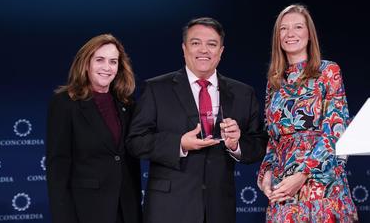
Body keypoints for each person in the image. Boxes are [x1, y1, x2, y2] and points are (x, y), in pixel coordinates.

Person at [126, 17, 267, 223]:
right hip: (168, 210)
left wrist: (236, 144)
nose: (204, 50)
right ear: (184, 48)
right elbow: (135, 142)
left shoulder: (243, 93)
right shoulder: (156, 89)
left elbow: (258, 144)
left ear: (221, 51)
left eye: (212, 44)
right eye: (195, 43)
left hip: (219, 210)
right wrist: (179, 144)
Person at [257, 4, 358, 222]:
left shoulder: (328, 71)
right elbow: (273, 140)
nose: (290, 34)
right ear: (278, 37)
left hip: (321, 184)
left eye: (298, 27)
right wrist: (266, 173)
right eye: (283, 29)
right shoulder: (274, 82)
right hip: (283, 188)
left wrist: (303, 174)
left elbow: (336, 130)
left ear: (309, 34)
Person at [46, 34, 142, 223]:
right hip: (87, 210)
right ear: (86, 63)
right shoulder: (65, 103)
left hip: (126, 209)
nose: (107, 67)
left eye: (113, 62)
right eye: (100, 60)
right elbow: (58, 168)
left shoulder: (126, 104)